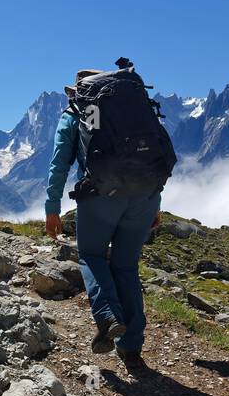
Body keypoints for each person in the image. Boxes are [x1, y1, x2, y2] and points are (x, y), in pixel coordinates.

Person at [45, 69, 162, 374]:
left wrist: (52, 207)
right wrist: (155, 204)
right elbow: (153, 155)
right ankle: (132, 346)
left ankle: (108, 316)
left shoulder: (75, 113)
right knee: (125, 267)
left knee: (92, 255)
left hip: (101, 195)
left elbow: (59, 163)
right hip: (145, 196)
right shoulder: (136, 109)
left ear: (78, 92)